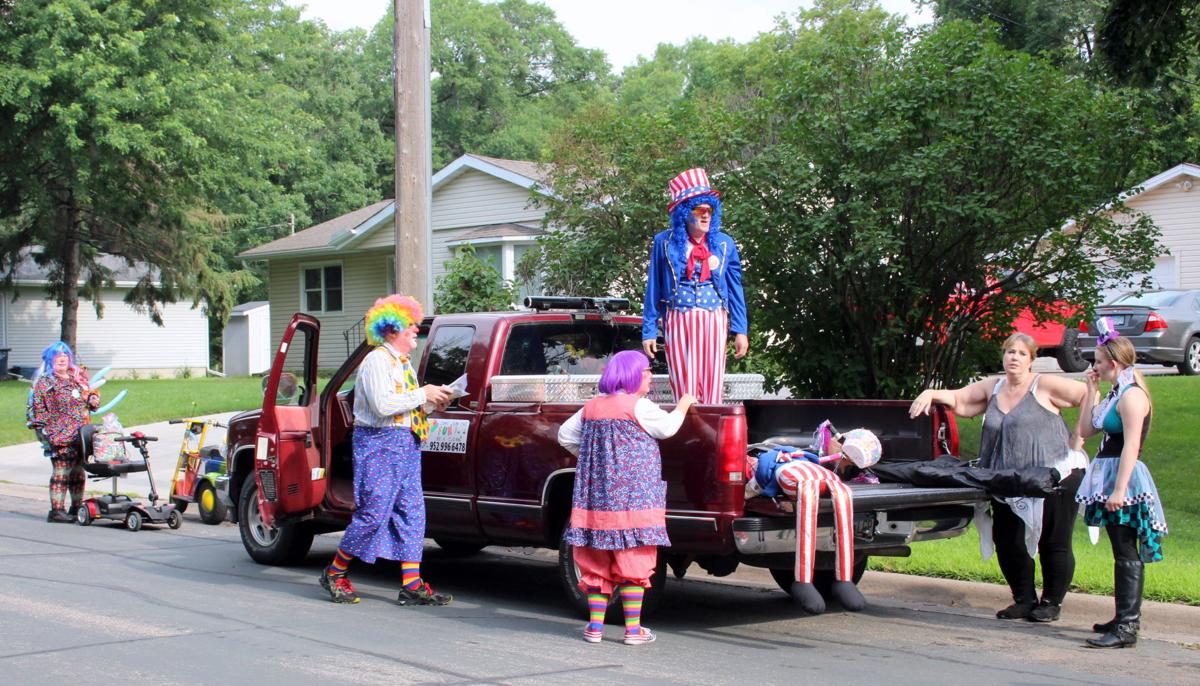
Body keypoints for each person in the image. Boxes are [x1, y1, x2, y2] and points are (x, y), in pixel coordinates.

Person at [909, 333, 1088, 622]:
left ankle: (1051, 603)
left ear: (1031, 359)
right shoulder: (994, 387)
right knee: (1008, 540)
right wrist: (931, 393)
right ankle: (1024, 599)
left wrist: (1078, 440)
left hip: (1053, 477)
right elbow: (960, 400)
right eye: (1009, 352)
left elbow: (1087, 396)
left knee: (1053, 541)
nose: (1014, 358)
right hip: (1006, 480)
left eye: (1021, 353)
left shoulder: (1044, 385)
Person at [318, 295, 454, 606]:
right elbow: (382, 406)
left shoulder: (402, 363)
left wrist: (432, 403)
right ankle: (335, 572)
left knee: (412, 512)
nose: (416, 330)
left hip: (405, 443)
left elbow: (405, 409)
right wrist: (423, 393)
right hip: (379, 443)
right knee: (373, 513)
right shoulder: (377, 361)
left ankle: (412, 583)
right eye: (410, 325)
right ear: (391, 328)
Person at [557, 350, 696, 645]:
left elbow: (565, 435)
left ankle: (595, 628)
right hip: (634, 497)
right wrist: (684, 404)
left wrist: (592, 458)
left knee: (596, 560)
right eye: (646, 372)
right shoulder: (640, 406)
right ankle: (633, 631)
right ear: (632, 374)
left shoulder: (592, 407)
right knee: (633, 562)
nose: (650, 376)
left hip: (597, 499)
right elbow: (668, 428)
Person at [1074, 326, 1166, 649]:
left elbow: (1131, 446)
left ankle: (1128, 626)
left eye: (1098, 362)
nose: (1094, 366)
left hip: (1125, 477)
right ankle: (1121, 616)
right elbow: (1086, 429)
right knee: (1119, 548)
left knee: (1127, 550)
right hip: (1109, 473)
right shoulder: (1115, 393)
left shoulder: (1132, 396)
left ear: (1114, 363)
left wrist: (1119, 489)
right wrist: (1090, 392)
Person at [642, 168, 748, 404]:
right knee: (683, 383)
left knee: (712, 384)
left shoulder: (723, 244)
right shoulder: (664, 242)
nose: (706, 215)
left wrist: (740, 330)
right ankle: (687, 432)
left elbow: (735, 288)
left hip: (714, 318)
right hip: (679, 317)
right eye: (700, 210)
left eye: (710, 210)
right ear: (684, 213)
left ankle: (710, 433)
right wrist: (649, 329)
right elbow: (654, 287)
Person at [28, 341, 100, 522]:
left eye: (65, 356)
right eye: (57, 357)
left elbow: (89, 399)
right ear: (50, 360)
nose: (62, 359)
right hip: (58, 434)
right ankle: (56, 511)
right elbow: (38, 408)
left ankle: (76, 508)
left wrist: (92, 398)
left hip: (80, 434)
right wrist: (44, 432)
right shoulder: (45, 382)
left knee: (78, 472)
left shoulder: (76, 379)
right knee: (62, 471)